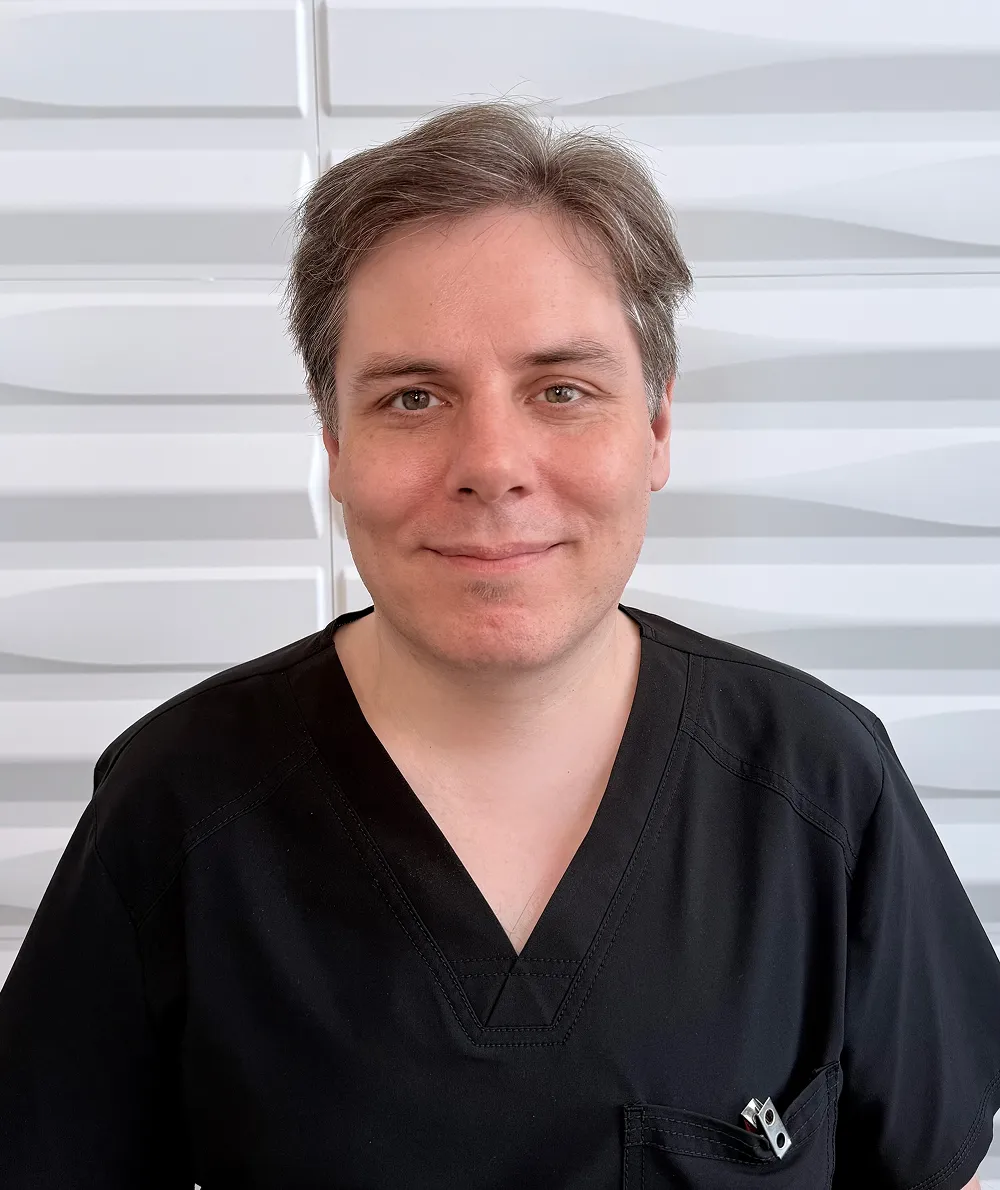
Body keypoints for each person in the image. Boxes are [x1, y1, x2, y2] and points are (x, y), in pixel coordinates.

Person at [0, 99, 997, 1190]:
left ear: (657, 424)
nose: (493, 463)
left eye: (561, 389)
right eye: (413, 395)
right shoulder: (178, 803)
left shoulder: (817, 782)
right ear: (333, 440)